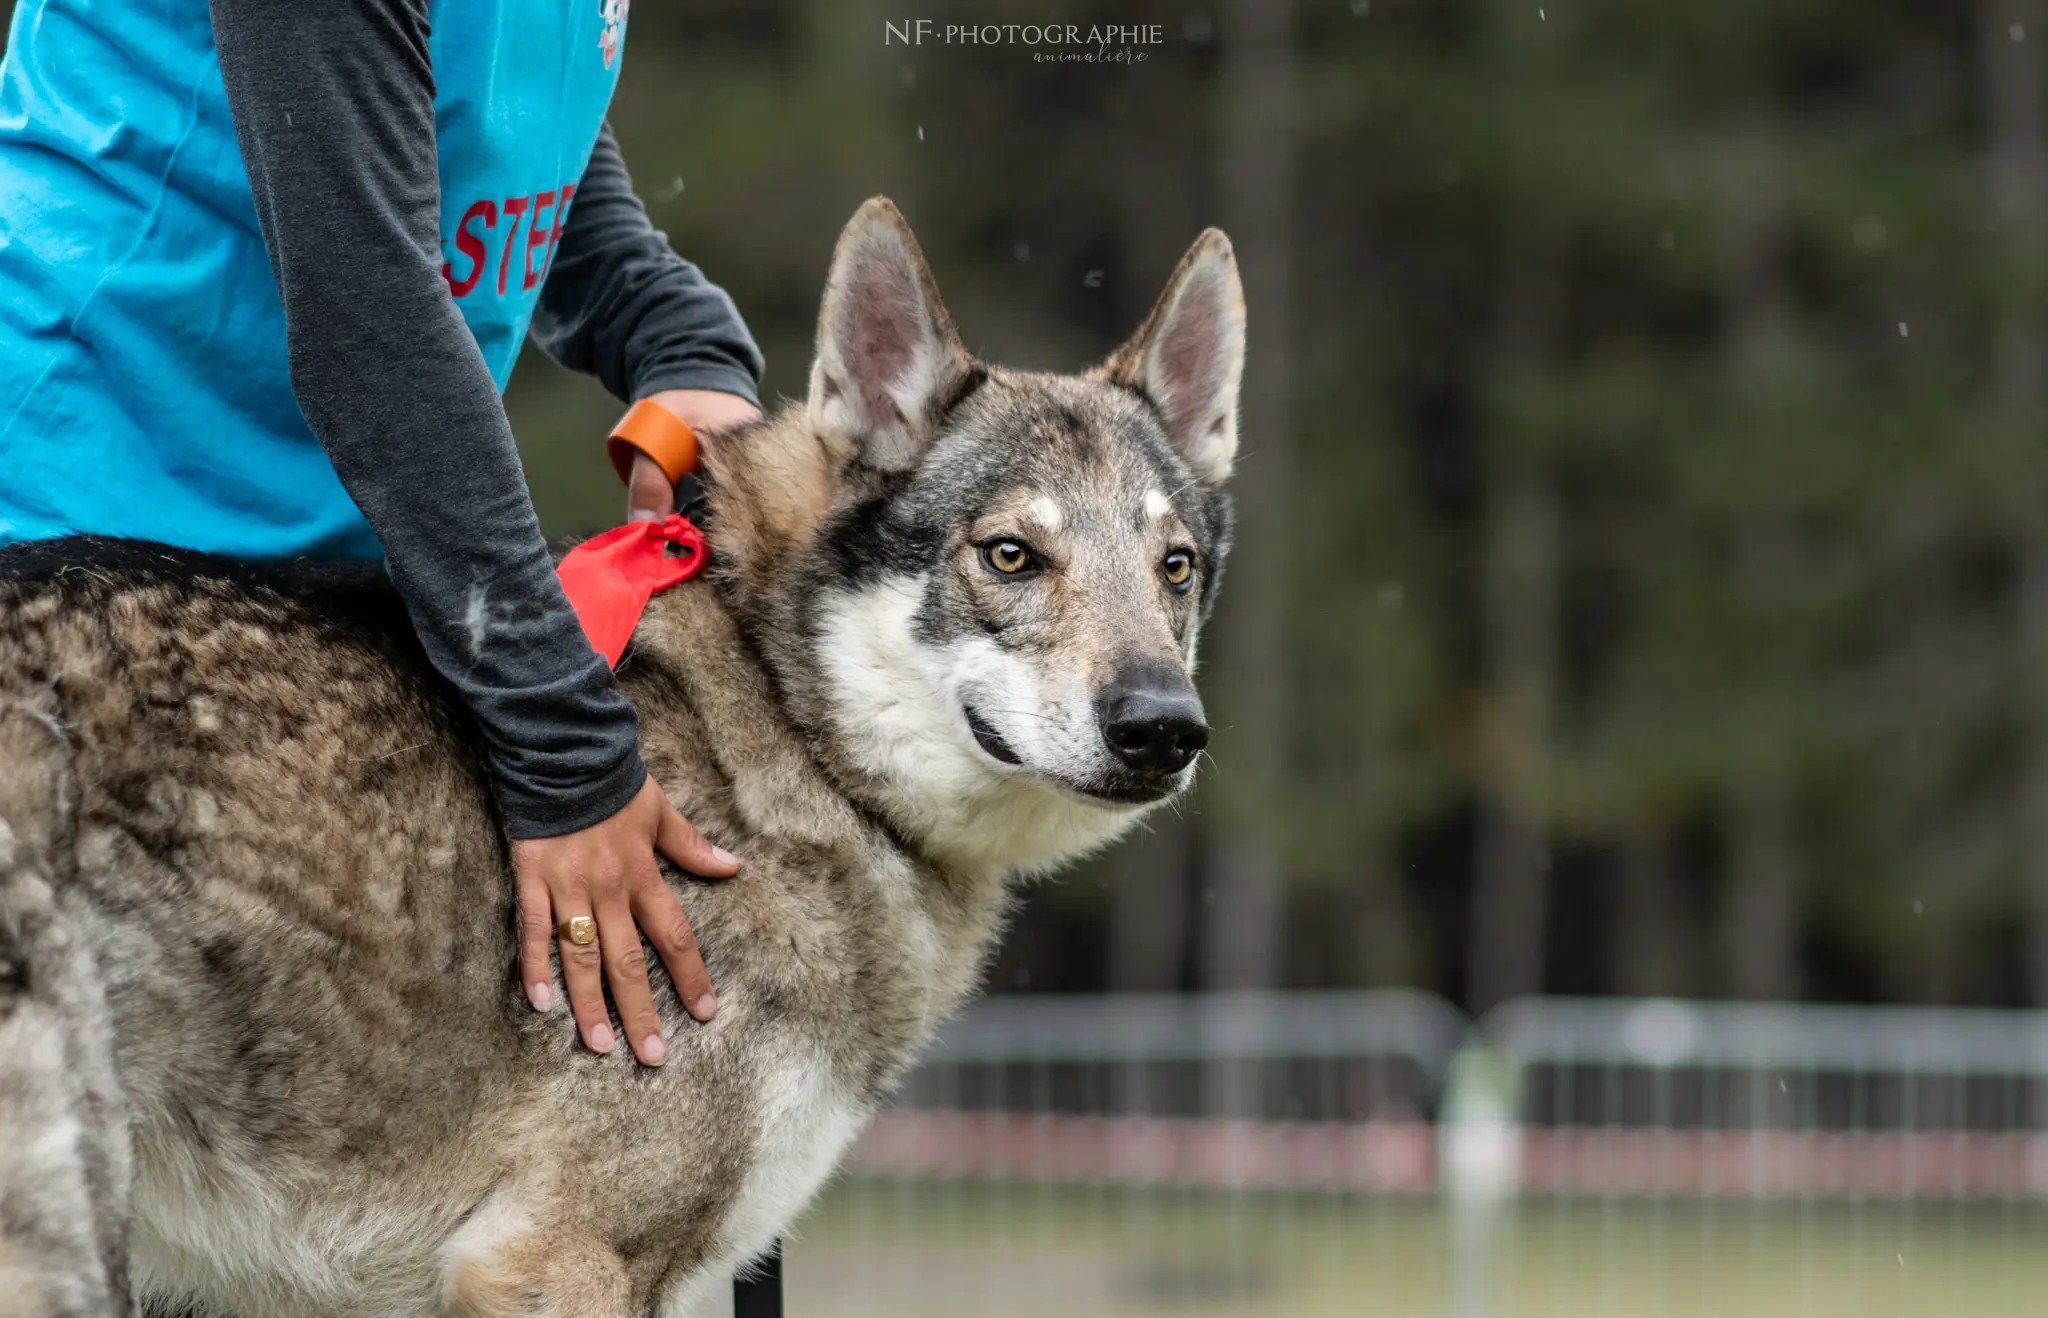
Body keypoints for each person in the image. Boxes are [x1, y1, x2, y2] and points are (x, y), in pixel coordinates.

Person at [0, 0, 764, 1069]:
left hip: (321, 581)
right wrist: (566, 750)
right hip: (69, 530)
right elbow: (368, 318)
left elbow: (491, 95)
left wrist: (666, 329)